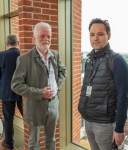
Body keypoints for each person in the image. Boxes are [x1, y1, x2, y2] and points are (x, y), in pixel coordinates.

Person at [11, 22, 67, 150]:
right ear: (34, 38)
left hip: (53, 104)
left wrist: (56, 87)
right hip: (34, 106)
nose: (46, 39)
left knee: (51, 139)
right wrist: (40, 92)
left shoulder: (55, 54)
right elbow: (16, 85)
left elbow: (64, 71)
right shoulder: (24, 59)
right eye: (42, 36)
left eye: (48, 36)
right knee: (33, 142)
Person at [78, 18, 128, 150]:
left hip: (105, 125)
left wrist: (119, 129)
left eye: (100, 34)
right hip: (88, 121)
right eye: (92, 34)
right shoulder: (89, 60)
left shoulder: (117, 61)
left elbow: (123, 97)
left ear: (109, 35)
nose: (95, 38)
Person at [0, 34, 23, 150]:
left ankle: (8, 144)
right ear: (18, 43)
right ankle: (33, 140)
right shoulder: (22, 55)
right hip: (23, 92)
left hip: (6, 92)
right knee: (28, 117)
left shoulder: (1, 55)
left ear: (6, 44)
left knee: (8, 119)